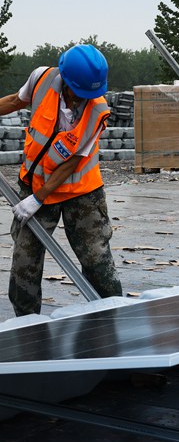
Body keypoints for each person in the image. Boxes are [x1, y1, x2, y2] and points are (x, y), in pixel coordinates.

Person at [0, 44, 122, 315]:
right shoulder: (41, 79)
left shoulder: (98, 110)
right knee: (25, 261)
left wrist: (38, 199)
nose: (83, 99)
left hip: (81, 192)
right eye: (79, 93)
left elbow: (73, 161)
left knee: (96, 258)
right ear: (65, 80)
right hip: (35, 183)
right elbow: (15, 101)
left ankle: (114, 314)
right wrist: (34, 195)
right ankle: (27, 323)